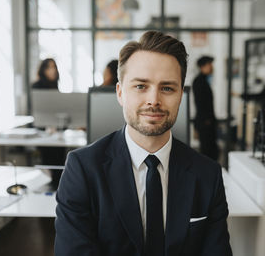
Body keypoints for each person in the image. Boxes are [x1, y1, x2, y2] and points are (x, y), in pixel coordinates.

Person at [55, 31, 232, 256]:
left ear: (181, 96)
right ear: (120, 93)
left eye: (167, 88)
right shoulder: (82, 168)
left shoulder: (208, 174)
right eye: (140, 86)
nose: (154, 100)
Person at [32, 58, 65, 189]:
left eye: (54, 67)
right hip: (42, 131)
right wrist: (46, 126)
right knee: (50, 160)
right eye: (49, 67)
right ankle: (52, 186)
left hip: (56, 131)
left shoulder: (55, 87)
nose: (53, 71)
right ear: (43, 70)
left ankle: (58, 186)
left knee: (60, 159)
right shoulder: (37, 86)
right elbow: (36, 112)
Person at [192, 56, 219, 161]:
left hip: (208, 121)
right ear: (202, 67)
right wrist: (206, 120)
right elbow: (200, 103)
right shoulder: (199, 81)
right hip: (205, 122)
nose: (212, 67)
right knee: (208, 150)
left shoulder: (204, 80)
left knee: (212, 149)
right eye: (209, 65)